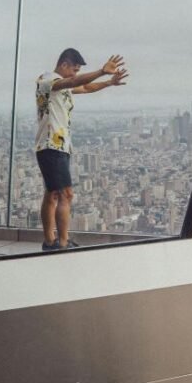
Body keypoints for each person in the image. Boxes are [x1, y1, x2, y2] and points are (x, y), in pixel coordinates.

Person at [35, 48, 127, 250]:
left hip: (58, 145)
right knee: (66, 194)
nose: (75, 74)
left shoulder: (60, 87)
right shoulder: (48, 80)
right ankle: (62, 243)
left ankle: (50, 241)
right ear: (64, 64)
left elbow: (85, 88)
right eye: (74, 69)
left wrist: (109, 83)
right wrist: (102, 71)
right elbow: (73, 82)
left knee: (52, 194)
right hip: (52, 145)